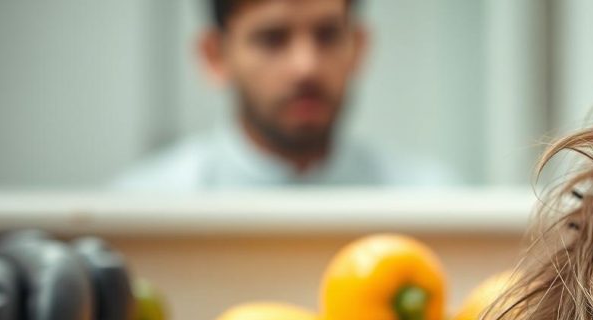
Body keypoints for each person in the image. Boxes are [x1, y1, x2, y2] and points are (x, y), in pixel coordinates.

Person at [115, 0, 452, 190]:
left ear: (359, 48)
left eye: (328, 35)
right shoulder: (143, 206)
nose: (306, 67)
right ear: (215, 56)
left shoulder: (434, 198)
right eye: (272, 39)